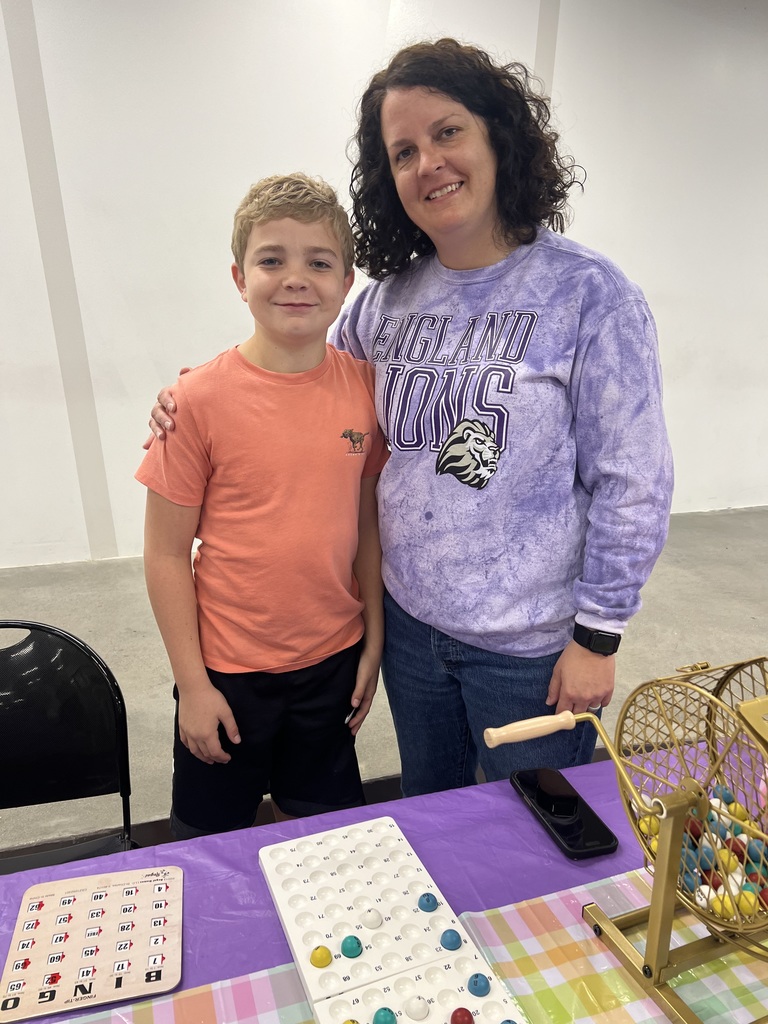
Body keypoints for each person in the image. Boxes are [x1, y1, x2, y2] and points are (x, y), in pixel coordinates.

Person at [146, 39, 673, 797]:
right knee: (436, 816)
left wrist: (598, 635)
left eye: (447, 132)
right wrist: (186, 394)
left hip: (529, 651)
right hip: (411, 634)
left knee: (543, 835)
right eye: (402, 151)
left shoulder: (589, 296)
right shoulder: (384, 302)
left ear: (499, 136)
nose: (427, 162)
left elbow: (635, 481)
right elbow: (298, 375)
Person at [136, 173, 388, 838]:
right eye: (272, 259)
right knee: (212, 843)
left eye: (319, 262)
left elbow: (365, 522)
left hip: (332, 661)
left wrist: (374, 641)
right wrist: (193, 685)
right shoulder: (197, 402)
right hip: (228, 673)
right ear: (238, 277)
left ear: (346, 281)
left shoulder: (364, 389)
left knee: (324, 837)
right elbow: (165, 554)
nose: (295, 278)